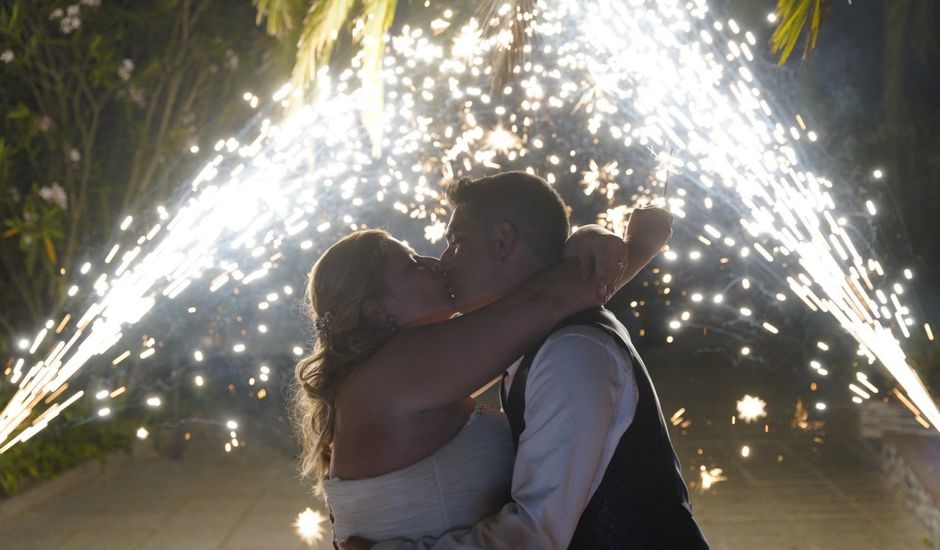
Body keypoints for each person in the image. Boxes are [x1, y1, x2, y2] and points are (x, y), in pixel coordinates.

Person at [292, 173, 666, 547]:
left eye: (454, 242)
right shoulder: (401, 369)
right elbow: (544, 301)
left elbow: (540, 305)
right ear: (378, 309)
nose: (436, 261)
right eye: (411, 265)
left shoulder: (418, 370)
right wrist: (634, 246)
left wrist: (593, 242)